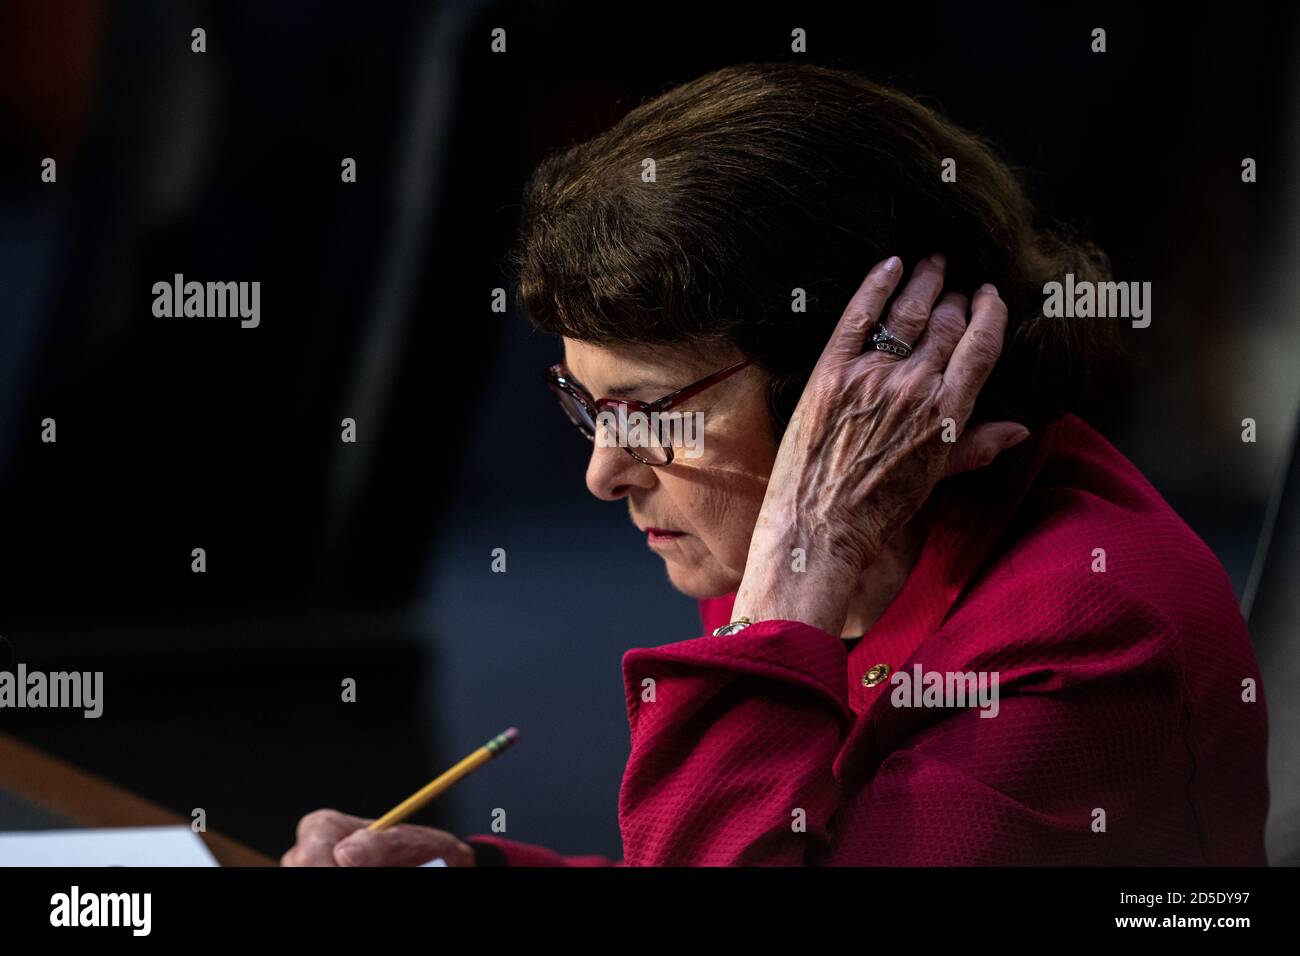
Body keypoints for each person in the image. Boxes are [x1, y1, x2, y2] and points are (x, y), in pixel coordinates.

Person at [282, 63, 1268, 867]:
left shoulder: (1080, 635)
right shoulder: (799, 536)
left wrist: (788, 580)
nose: (603, 473)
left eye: (649, 412)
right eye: (585, 403)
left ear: (833, 396)